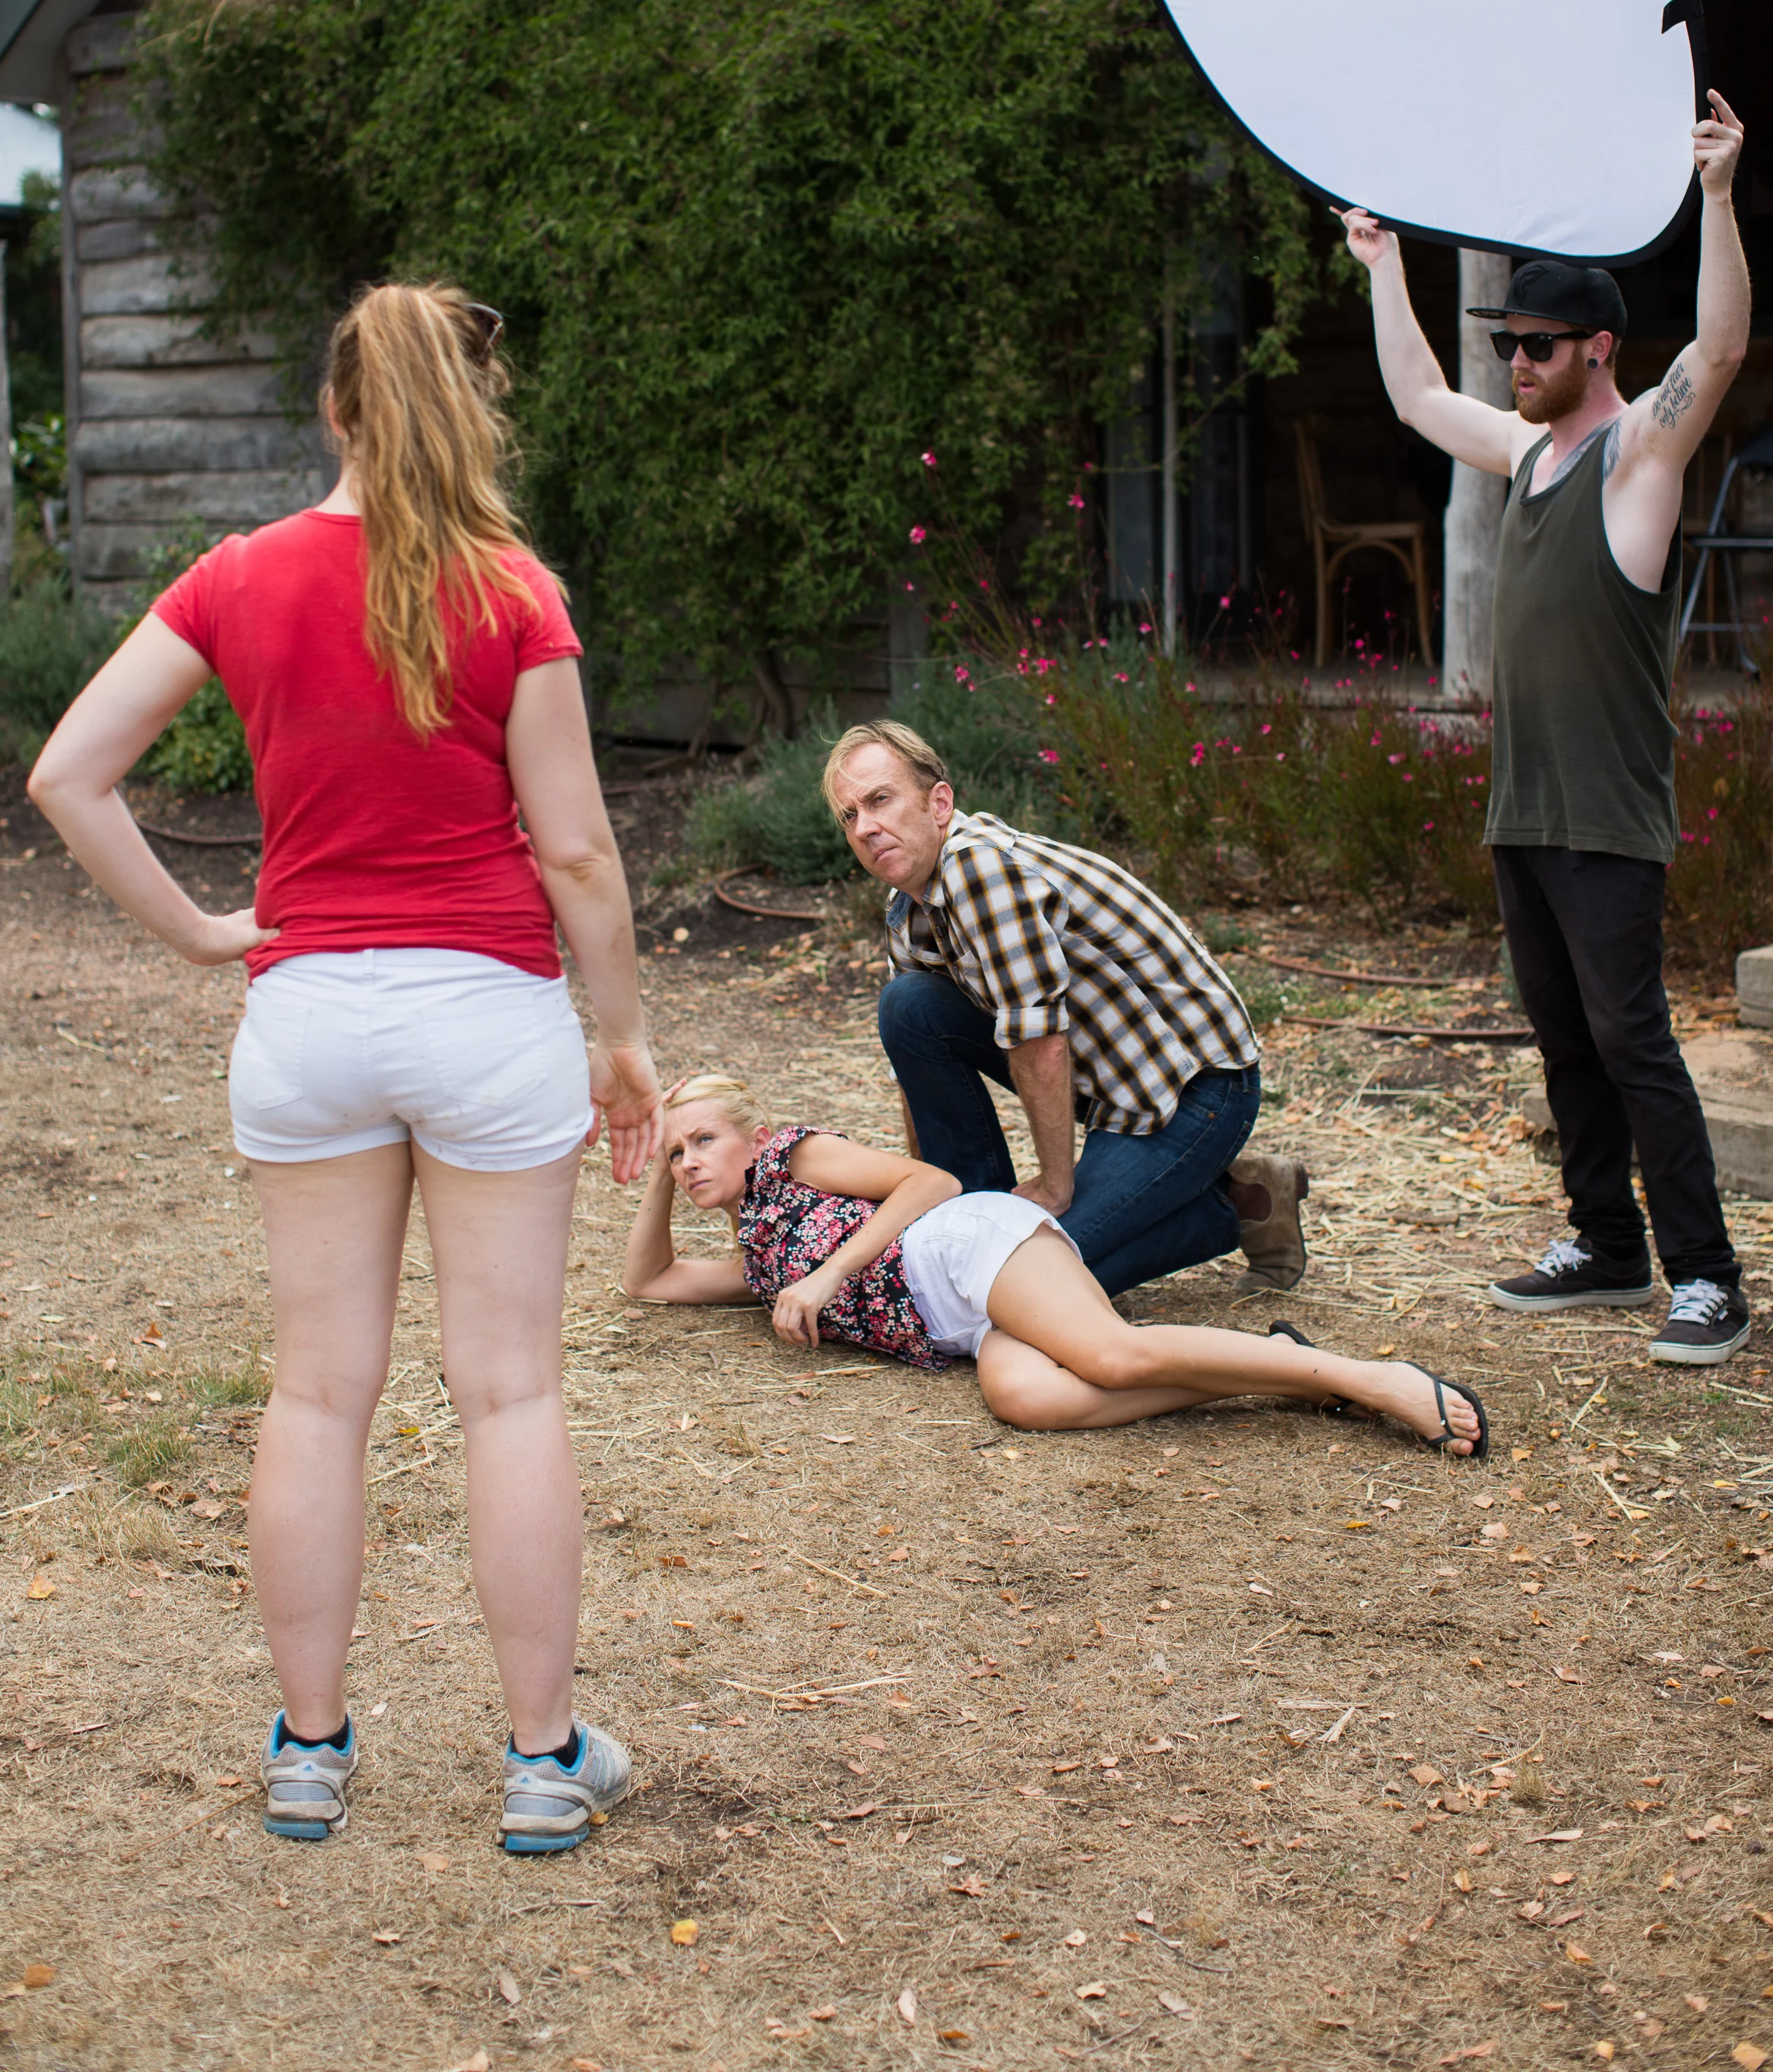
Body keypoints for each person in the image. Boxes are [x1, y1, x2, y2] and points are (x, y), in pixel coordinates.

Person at [28, 282, 664, 1852]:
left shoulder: (237, 577)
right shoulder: (514, 590)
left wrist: (197, 934)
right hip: (488, 1018)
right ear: (471, 411)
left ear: (334, 408)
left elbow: (68, 771)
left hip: (305, 1018)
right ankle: (538, 1760)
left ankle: (308, 1753)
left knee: (319, 1392)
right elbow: (576, 853)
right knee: (506, 1390)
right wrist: (623, 1036)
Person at [1341, 88, 1753, 1366]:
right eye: (1506, 342)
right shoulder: (1521, 460)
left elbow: (1721, 351)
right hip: (1522, 808)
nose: (1511, 363)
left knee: (1631, 1040)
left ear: (1594, 351)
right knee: (1564, 1035)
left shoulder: (1635, 461)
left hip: (1604, 815)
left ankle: (1706, 1279)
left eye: (1533, 346)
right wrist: (1381, 263)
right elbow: (1415, 397)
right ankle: (1602, 1245)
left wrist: (1721, 198)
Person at [622, 1073, 1488, 1453]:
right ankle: (1295, 1373)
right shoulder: (762, 1256)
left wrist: (830, 1273)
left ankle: (1375, 1378)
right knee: (1024, 1398)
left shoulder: (795, 1159)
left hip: (962, 1245)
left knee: (1110, 1356)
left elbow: (931, 1179)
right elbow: (650, 1281)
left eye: (703, 1140)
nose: (690, 1159)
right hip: (960, 1323)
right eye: (676, 1152)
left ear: (754, 1137)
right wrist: (655, 1170)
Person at [819, 721, 1307, 1302]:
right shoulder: (908, 909)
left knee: (1024, 1294)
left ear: (939, 803)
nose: (866, 827)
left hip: (1195, 1093)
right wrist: (920, 1199)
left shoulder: (982, 872)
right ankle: (970, 1214)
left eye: (879, 800)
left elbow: (1039, 1039)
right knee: (909, 1006)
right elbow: (916, 1069)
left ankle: (1242, 1202)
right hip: (1114, 1088)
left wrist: (1055, 1187)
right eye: (849, 816)